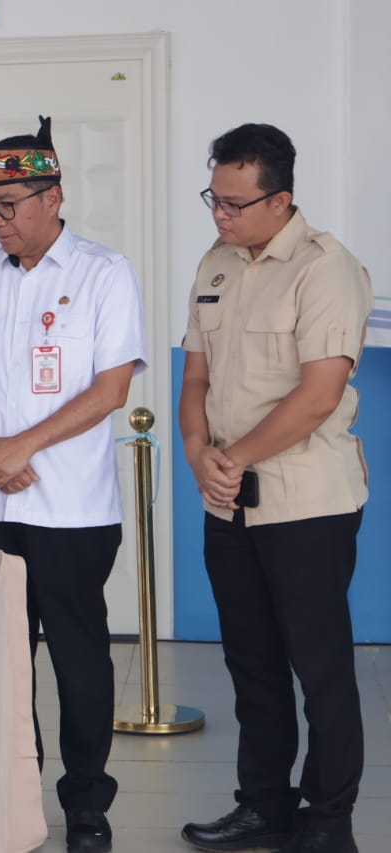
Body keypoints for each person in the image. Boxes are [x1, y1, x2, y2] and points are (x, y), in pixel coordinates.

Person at [0, 116, 146, 853]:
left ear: (53, 197)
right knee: (0, 655)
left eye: (9, 204)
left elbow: (111, 388)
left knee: (79, 655)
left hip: (72, 507)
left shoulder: (103, 273)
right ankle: (15, 794)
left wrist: (22, 446)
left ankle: (86, 803)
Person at [178, 124, 371, 853]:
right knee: (251, 662)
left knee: (320, 669)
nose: (220, 214)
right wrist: (197, 451)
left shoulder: (326, 269)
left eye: (234, 203)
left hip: (305, 500)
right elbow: (196, 373)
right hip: (227, 497)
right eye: (213, 198)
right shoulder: (216, 262)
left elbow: (319, 394)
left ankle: (327, 822)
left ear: (280, 199)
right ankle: (264, 805)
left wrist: (233, 457)